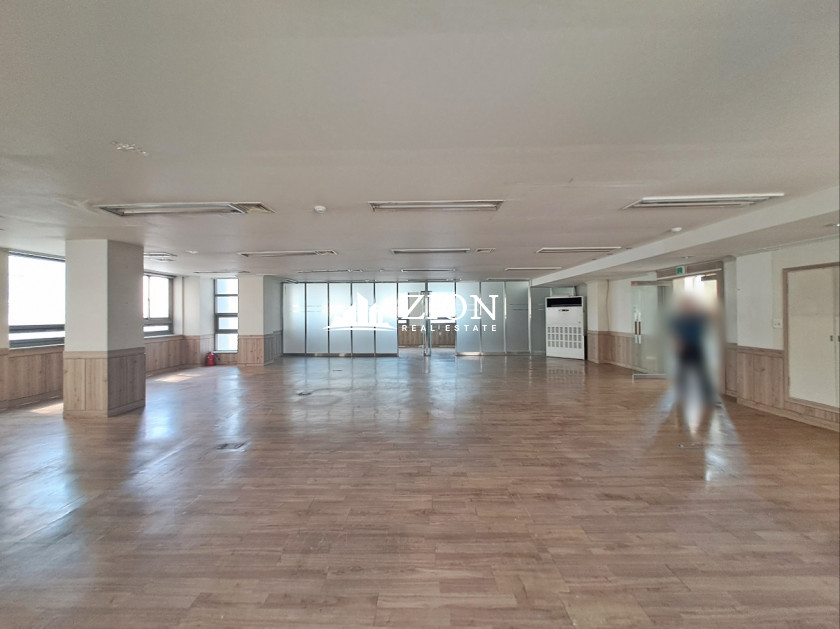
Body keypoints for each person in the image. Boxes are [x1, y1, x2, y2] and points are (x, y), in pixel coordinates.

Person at [670, 294, 717, 409]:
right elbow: (674, 333)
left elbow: (712, 317)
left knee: (702, 373)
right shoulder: (678, 319)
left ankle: (708, 397)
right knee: (682, 373)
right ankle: (681, 395)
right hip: (684, 348)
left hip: (697, 347)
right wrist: (677, 344)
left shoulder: (699, 317)